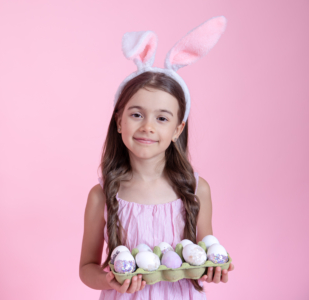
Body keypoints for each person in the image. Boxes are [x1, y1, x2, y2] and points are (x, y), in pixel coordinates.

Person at [79, 16, 234, 299]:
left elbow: (205, 248)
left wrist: (214, 267)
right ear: (119, 122)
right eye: (136, 114)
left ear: (177, 129)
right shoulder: (101, 195)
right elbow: (87, 268)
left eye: (162, 118)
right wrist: (110, 280)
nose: (148, 126)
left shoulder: (197, 190)